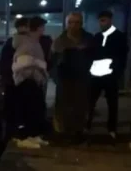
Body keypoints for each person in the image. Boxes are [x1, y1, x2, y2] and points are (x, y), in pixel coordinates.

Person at [51, 12, 94, 143]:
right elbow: (52, 62)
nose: (73, 25)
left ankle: (78, 133)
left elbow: (95, 58)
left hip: (83, 80)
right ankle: (63, 134)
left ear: (81, 24)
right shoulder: (59, 41)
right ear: (66, 24)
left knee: (80, 108)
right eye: (70, 22)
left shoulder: (89, 39)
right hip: (64, 81)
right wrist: (56, 78)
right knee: (63, 109)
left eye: (76, 22)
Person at [87, 10, 129, 141]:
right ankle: (87, 125)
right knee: (90, 101)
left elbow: (123, 57)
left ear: (111, 20)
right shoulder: (97, 37)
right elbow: (91, 54)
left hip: (111, 76)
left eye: (104, 20)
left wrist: (117, 72)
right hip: (96, 75)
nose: (102, 23)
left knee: (112, 103)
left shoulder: (120, 37)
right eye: (100, 20)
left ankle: (112, 128)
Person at [11, 16, 50, 149]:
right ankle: (25, 137)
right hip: (27, 80)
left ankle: (33, 135)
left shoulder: (33, 42)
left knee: (35, 110)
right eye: (42, 27)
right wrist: (39, 67)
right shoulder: (28, 43)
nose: (43, 30)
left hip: (32, 80)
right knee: (28, 110)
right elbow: (23, 63)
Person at [0, 17, 29, 138]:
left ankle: (11, 135)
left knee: (11, 113)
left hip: (12, 83)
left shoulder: (9, 43)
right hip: (21, 83)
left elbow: (3, 64)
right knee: (19, 112)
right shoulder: (25, 43)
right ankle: (18, 134)